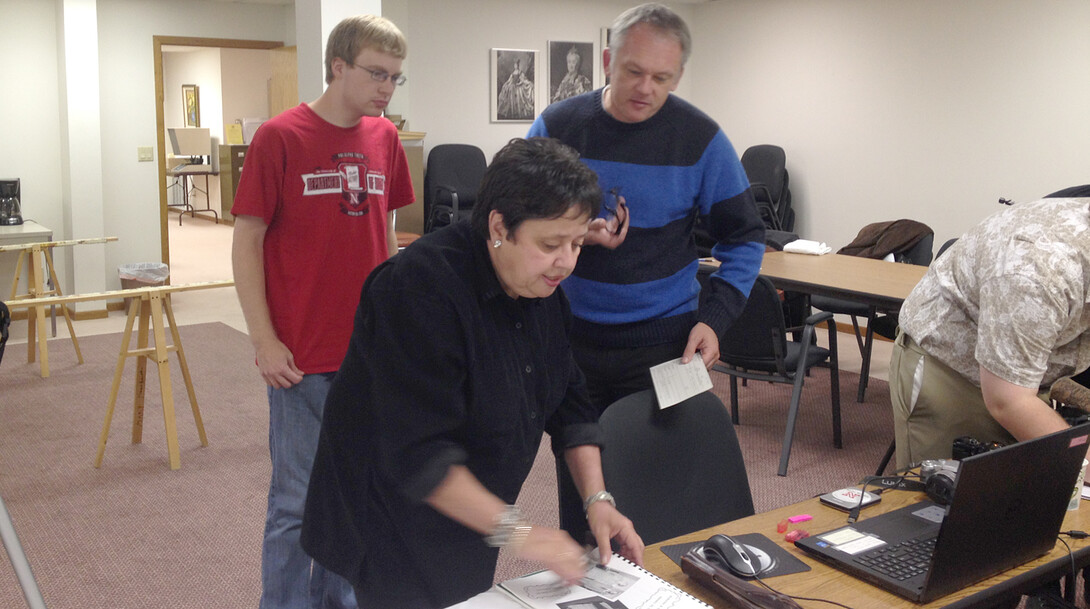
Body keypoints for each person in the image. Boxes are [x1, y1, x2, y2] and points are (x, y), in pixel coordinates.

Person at [300, 137, 645, 608]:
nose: (566, 262)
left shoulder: (541, 289)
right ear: (499, 226)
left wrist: (597, 499)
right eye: (550, 244)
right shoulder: (417, 290)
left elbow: (570, 399)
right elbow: (420, 457)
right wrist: (525, 534)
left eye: (578, 244)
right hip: (386, 514)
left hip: (471, 507)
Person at [527, 2, 765, 539]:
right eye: (634, 71)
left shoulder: (701, 139)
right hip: (570, 342)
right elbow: (514, 215)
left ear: (679, 75)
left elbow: (745, 236)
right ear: (608, 60)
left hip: (665, 346)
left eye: (662, 77)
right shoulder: (558, 125)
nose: (645, 88)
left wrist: (716, 316)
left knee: (665, 492)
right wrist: (575, 234)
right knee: (586, 494)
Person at [230, 15, 414, 609]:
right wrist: (263, 337)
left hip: (366, 351)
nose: (386, 88)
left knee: (354, 491)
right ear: (338, 66)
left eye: (396, 78)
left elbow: (385, 234)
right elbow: (247, 240)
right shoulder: (280, 137)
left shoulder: (384, 139)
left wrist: (394, 326)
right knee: (296, 501)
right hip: (301, 355)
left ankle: (338, 600)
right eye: (376, 73)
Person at [890, 189, 1090, 470]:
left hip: (1030, 374)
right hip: (954, 372)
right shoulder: (1037, 271)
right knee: (948, 502)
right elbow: (1008, 402)